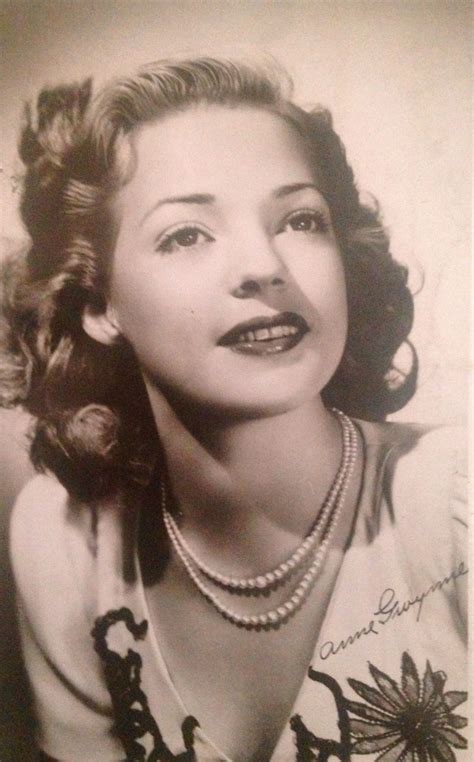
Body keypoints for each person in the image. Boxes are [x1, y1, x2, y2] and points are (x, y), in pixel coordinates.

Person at [1, 57, 467, 762]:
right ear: (99, 304)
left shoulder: (457, 504)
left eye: (300, 220)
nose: (262, 265)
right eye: (186, 233)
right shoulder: (65, 542)